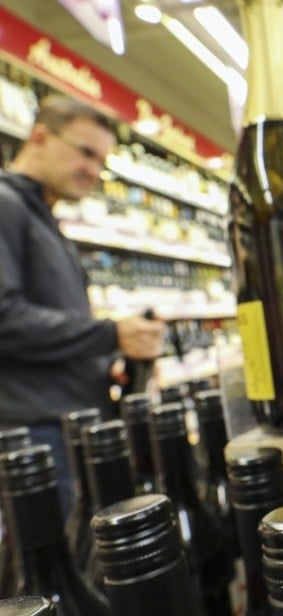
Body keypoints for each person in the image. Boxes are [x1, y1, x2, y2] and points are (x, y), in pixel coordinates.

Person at [0, 95, 166, 516]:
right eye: (85, 153)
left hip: (70, 431)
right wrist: (111, 334)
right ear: (40, 137)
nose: (93, 171)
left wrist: (104, 362)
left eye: (101, 161)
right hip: (38, 442)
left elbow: (54, 326)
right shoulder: (5, 205)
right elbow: (5, 317)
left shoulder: (45, 221)